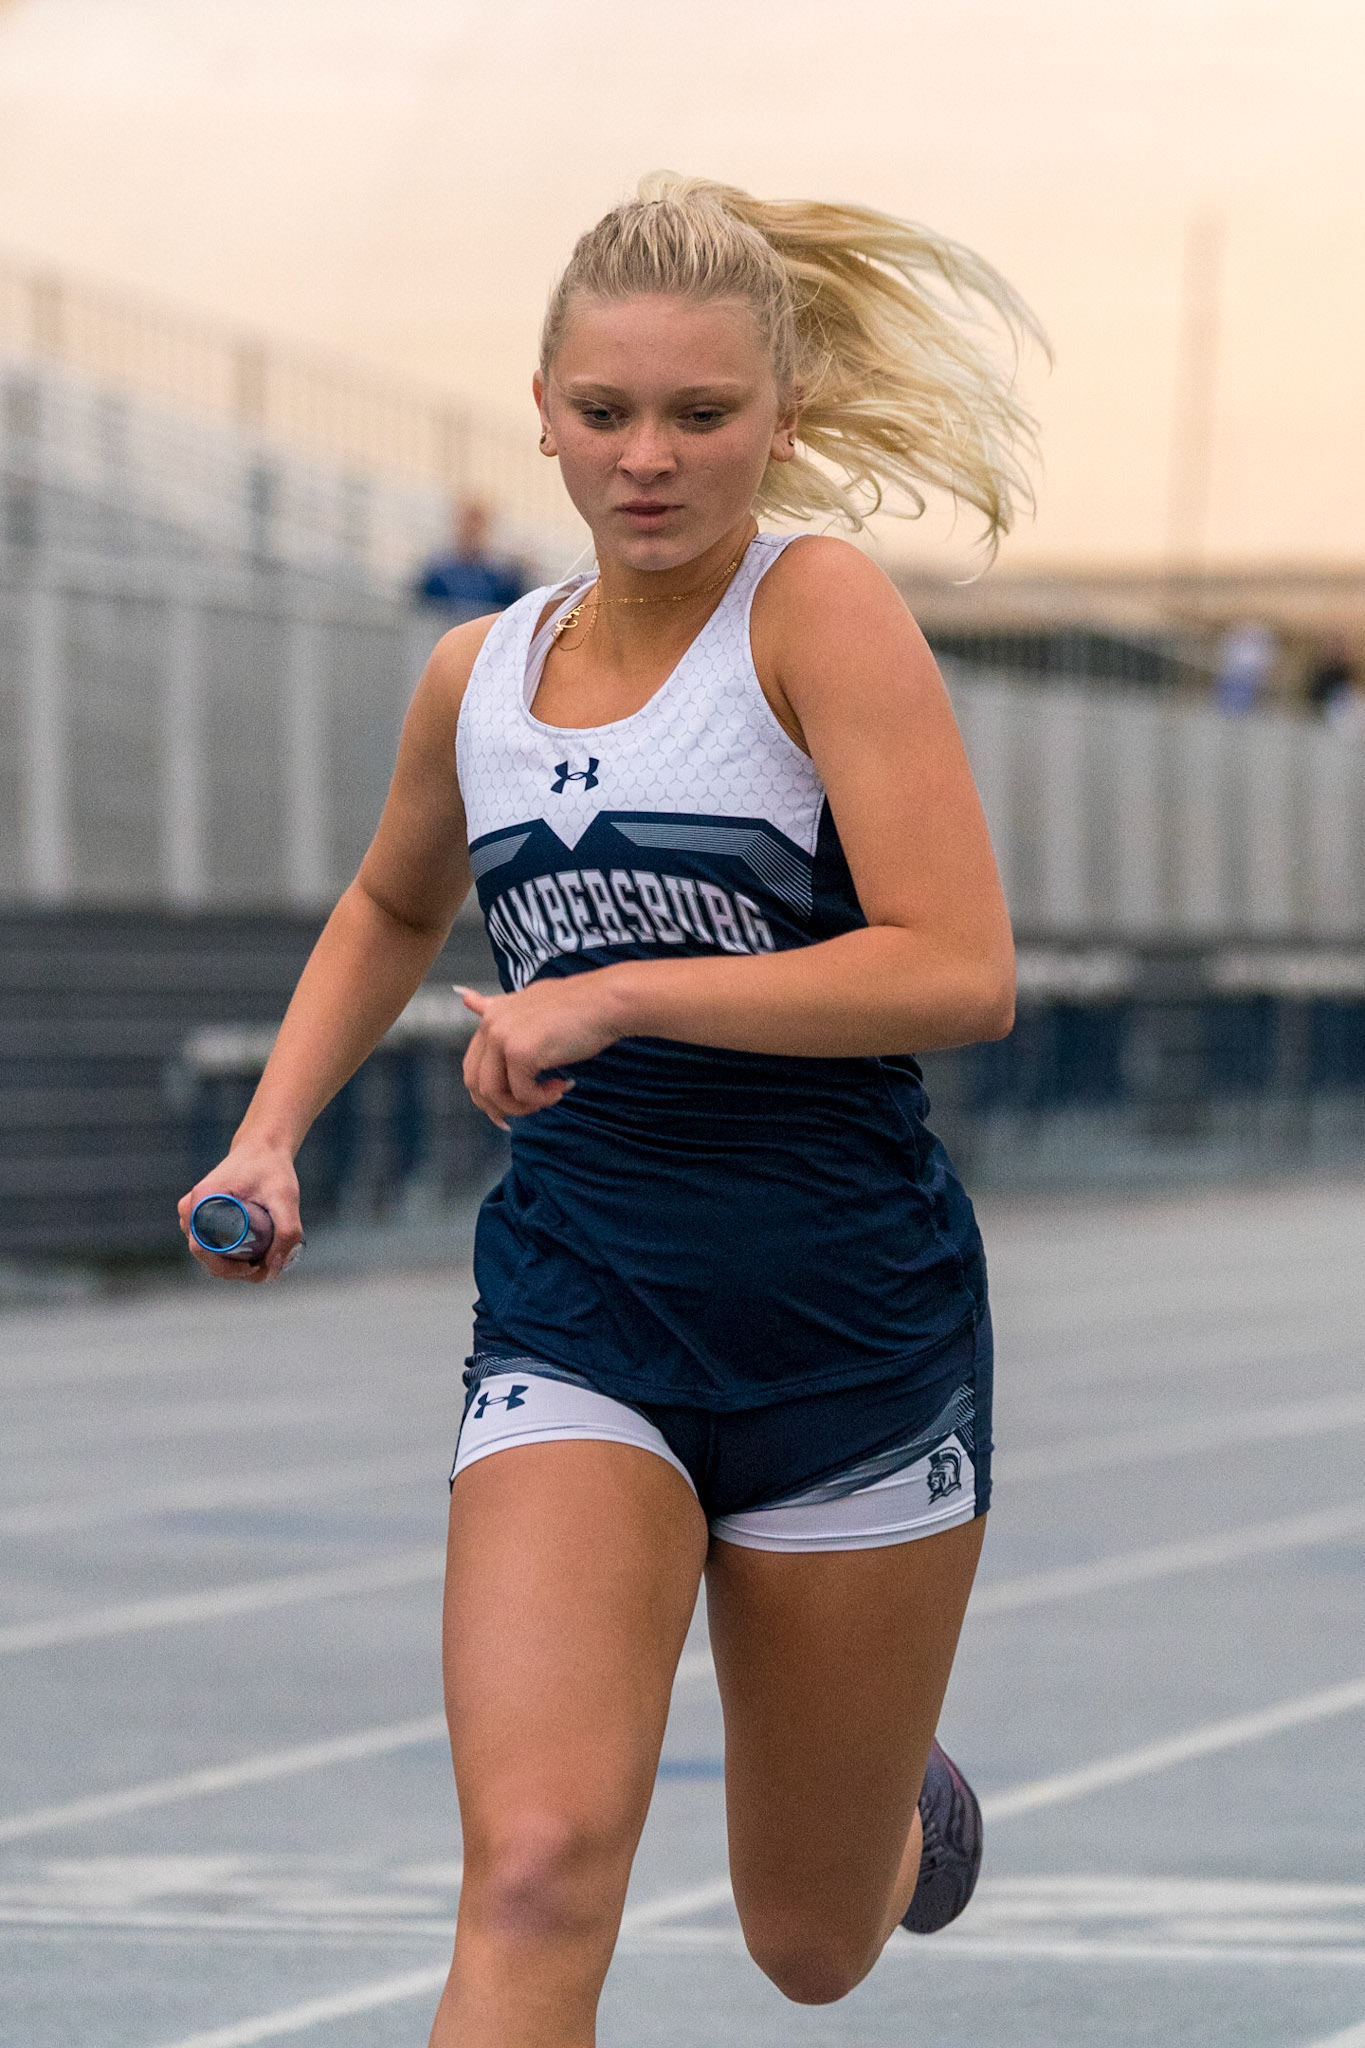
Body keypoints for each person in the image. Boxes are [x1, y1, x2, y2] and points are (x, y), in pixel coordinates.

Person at [180, 172, 1041, 2047]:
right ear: (544, 412)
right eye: (606, 411)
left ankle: (896, 1814)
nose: (647, 458)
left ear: (782, 418)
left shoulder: (817, 616)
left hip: (846, 1334)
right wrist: (270, 1131)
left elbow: (960, 968)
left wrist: (626, 990)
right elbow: (393, 902)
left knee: (808, 1941)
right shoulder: (476, 673)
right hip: (581, 1319)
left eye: (700, 414)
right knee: (537, 1867)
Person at [415, 496, 528, 611]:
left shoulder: (502, 579)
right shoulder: (437, 572)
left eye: (477, 523)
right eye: (467, 522)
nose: (471, 529)